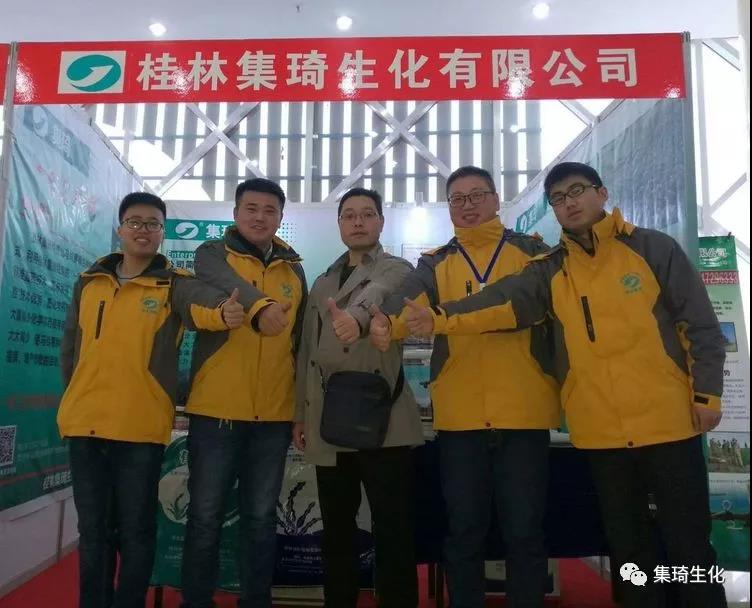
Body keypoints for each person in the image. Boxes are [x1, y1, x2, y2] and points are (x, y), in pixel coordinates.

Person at [376, 162, 728, 608]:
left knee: (691, 544)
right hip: (600, 431)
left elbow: (699, 323)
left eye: (577, 191)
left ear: (601, 193)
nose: (569, 203)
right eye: (559, 198)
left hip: (669, 422)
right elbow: (502, 301)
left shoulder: (652, 248)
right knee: (628, 549)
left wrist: (706, 393)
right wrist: (430, 319)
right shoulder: (549, 267)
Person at [375, 166, 561, 607]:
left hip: (524, 411)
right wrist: (384, 324)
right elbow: (408, 302)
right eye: (457, 199)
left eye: (477, 195)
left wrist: (435, 318)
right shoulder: (435, 261)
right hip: (460, 417)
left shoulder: (534, 252)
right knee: (464, 532)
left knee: (525, 533)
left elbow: (530, 305)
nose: (468, 205)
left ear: (496, 200)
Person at [59, 192, 245, 608]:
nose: (143, 230)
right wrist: (74, 399)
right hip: (85, 426)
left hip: (139, 429)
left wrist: (224, 313)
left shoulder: (173, 283)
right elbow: (70, 348)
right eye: (135, 222)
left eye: (153, 224)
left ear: (162, 232)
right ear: (120, 229)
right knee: (92, 532)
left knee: (136, 532)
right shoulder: (89, 282)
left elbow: (202, 308)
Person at [294, 187, 424, 607]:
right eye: (349, 215)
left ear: (381, 222)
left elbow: (381, 289)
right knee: (336, 528)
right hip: (330, 420)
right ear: (339, 224)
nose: (358, 222)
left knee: (393, 527)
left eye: (367, 214)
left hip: (385, 420)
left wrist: (356, 316)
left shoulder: (399, 268)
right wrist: (300, 415)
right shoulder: (322, 282)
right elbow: (307, 354)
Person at [180, 178, 307, 608]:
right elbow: (220, 279)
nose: (260, 217)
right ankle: (196, 601)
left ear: (280, 218)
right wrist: (260, 307)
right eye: (251, 208)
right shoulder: (212, 254)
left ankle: (256, 600)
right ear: (236, 214)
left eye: (270, 210)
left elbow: (299, 345)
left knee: (260, 518)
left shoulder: (294, 270)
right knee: (204, 516)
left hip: (273, 417)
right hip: (215, 413)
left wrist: (299, 409)